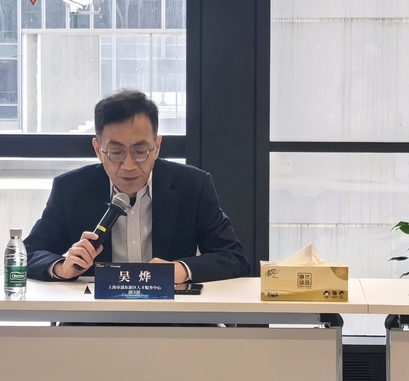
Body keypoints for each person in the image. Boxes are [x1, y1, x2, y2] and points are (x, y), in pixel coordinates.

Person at [24, 89, 250, 283]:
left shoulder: (192, 186)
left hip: (170, 314)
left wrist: (180, 270)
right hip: (96, 315)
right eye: (116, 152)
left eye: (140, 151)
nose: (129, 165)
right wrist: (61, 267)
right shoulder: (71, 189)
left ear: (157, 146)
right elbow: (27, 254)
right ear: (98, 150)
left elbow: (234, 258)